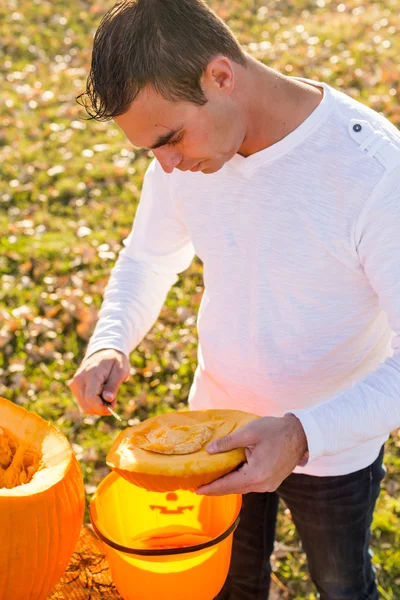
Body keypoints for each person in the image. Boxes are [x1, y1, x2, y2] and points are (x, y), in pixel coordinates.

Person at [70, 0, 400, 598]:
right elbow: (148, 257)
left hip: (332, 446)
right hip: (211, 439)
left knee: (342, 585)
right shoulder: (182, 161)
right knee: (228, 586)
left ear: (220, 76)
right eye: (150, 150)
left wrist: (301, 434)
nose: (165, 166)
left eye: (169, 139)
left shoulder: (375, 172)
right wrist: (111, 339)